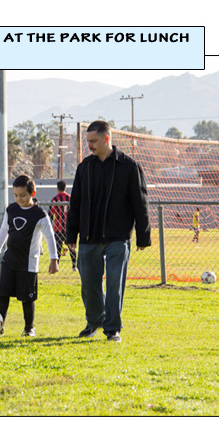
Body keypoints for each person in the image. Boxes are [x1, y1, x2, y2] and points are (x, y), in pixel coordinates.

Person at [66, 120, 151, 343]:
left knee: (114, 285)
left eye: (93, 141)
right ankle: (94, 321)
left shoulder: (129, 166)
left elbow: (140, 203)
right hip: (88, 237)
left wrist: (143, 235)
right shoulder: (84, 167)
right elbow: (75, 204)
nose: (89, 146)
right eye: (87, 141)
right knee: (89, 285)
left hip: (118, 237)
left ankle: (112, 328)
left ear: (106, 138)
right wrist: (71, 235)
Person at [0, 174, 59, 337]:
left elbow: (49, 236)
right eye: (15, 195)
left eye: (23, 195)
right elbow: (4, 230)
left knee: (27, 298)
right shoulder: (11, 210)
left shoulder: (39, 214)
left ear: (32, 194)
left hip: (28, 264)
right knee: (3, 295)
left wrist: (54, 259)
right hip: (9, 261)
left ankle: (29, 328)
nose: (19, 199)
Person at [49, 180, 77, 271]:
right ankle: (74, 266)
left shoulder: (54, 200)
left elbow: (50, 214)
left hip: (58, 229)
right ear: (65, 188)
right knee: (72, 247)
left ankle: (56, 265)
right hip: (69, 228)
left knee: (57, 248)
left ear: (57, 188)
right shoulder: (70, 198)